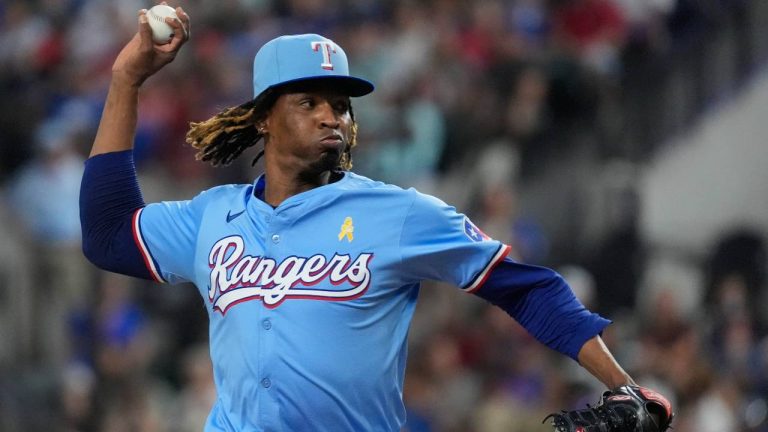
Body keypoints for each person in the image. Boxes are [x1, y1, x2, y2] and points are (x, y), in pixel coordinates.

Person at [80, 6, 659, 431]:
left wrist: (626, 386)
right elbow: (107, 234)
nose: (331, 116)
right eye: (309, 102)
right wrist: (126, 80)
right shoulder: (213, 217)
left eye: (340, 104)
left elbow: (527, 288)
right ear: (262, 119)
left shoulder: (397, 213)